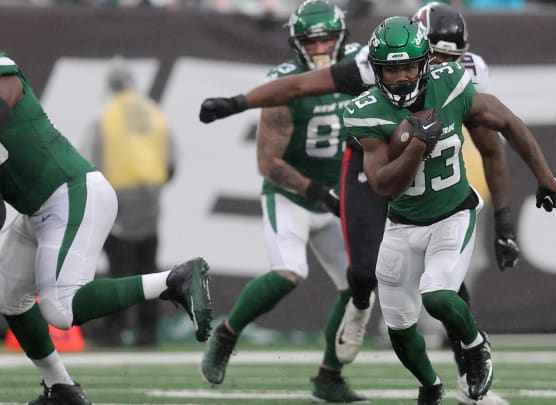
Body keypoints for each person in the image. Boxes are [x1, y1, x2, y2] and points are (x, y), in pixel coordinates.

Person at [198, 4, 518, 404]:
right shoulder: (368, 64)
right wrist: (236, 103)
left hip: (423, 182)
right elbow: (297, 89)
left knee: (450, 288)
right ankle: (355, 304)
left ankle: (469, 380)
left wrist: (504, 220)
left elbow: (492, 147)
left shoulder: (459, 78)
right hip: (362, 175)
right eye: (431, 55)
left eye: (446, 58)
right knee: (358, 272)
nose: (434, 66)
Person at [343, 16, 556, 404]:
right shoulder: (366, 111)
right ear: (377, 71)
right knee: (399, 326)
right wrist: (414, 148)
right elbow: (382, 184)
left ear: (425, 62)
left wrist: (545, 177)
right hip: (401, 223)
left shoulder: (451, 83)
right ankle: (431, 385)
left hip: (452, 214)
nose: (403, 77)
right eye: (392, 69)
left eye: (410, 65)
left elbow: (506, 121)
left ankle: (475, 346)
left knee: (438, 296)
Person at [0, 51, 212, 405]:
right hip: (38, 207)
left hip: (69, 192)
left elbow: (3, 103)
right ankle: (61, 389)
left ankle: (175, 280)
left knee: (60, 310)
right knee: (7, 296)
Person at [199, 1, 366, 402]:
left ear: (341, 37)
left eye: (328, 37)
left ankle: (329, 375)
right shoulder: (284, 85)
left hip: (337, 193)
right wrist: (315, 192)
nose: (322, 46)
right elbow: (267, 163)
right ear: (296, 43)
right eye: (313, 39)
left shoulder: (361, 69)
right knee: (288, 272)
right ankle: (227, 334)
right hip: (292, 194)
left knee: (359, 286)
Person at [83, 58, 176, 347]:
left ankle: (115, 328)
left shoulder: (105, 115)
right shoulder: (154, 111)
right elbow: (171, 160)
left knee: (120, 267)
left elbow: (89, 158)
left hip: (116, 195)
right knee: (148, 264)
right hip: (150, 195)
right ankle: (149, 330)